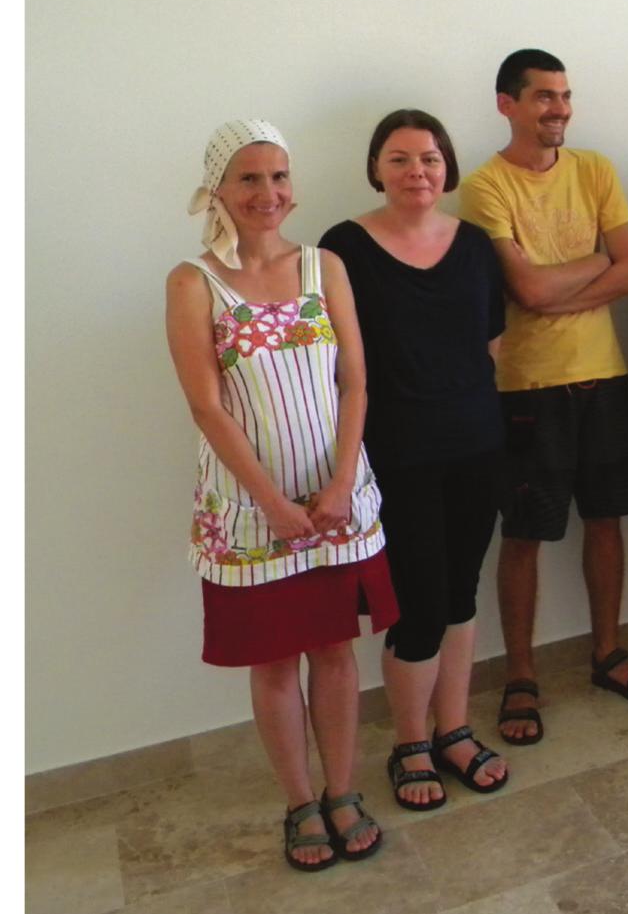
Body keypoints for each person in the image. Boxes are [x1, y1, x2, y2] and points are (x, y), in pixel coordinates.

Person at [166, 120, 397, 871]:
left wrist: (340, 482)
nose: (268, 193)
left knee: (334, 650)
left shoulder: (324, 267)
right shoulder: (192, 282)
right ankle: (300, 802)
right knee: (273, 662)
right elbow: (206, 406)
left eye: (278, 176)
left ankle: (342, 791)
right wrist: (271, 502)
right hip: (249, 512)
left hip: (337, 501)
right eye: (249, 178)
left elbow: (355, 381)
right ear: (218, 190)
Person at [459, 49, 628, 743]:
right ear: (507, 104)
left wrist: (561, 287)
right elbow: (526, 289)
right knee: (524, 534)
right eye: (545, 96)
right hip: (525, 386)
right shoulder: (484, 187)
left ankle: (607, 652)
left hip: (603, 375)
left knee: (607, 519)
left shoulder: (595, 169)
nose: (560, 109)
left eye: (566, 95)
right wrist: (596, 262)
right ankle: (521, 674)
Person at [319, 110, 509, 812]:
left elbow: (490, 345)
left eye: (428, 158)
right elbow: (337, 365)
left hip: (477, 446)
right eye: (399, 159)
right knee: (418, 604)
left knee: (461, 593)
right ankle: (410, 743)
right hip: (395, 458)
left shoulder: (476, 245)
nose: (416, 171)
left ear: (446, 166)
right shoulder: (342, 248)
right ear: (376, 168)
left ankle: (453, 729)